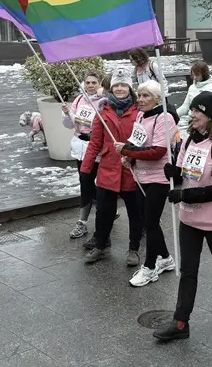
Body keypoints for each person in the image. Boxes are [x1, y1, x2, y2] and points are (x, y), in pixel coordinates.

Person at [153, 91, 212, 341]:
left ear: (211, 116)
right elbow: (185, 175)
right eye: (192, 110)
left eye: (198, 111)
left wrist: (186, 196)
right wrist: (173, 173)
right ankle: (181, 322)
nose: (192, 114)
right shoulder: (188, 141)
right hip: (189, 219)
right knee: (188, 270)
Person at [80, 68, 144, 265]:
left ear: (129, 88)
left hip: (130, 168)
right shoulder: (102, 112)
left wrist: (133, 156)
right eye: (116, 85)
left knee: (135, 212)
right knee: (104, 211)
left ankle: (133, 249)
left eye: (124, 85)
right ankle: (100, 245)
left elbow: (144, 140)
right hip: (108, 168)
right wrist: (86, 166)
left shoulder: (139, 112)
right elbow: (95, 143)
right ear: (111, 88)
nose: (120, 89)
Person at [117, 80, 177, 286]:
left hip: (158, 178)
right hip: (140, 175)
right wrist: (130, 156)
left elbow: (158, 151)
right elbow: (137, 141)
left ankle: (150, 267)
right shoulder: (141, 116)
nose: (140, 100)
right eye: (139, 95)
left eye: (145, 96)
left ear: (157, 99)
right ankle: (167, 259)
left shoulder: (165, 118)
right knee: (148, 220)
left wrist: (126, 150)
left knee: (151, 222)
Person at [62, 71, 107, 239]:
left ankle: (86, 222)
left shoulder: (103, 102)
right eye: (87, 82)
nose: (90, 85)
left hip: (95, 149)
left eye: (94, 82)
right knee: (85, 182)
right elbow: (70, 125)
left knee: (89, 183)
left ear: (100, 83)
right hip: (79, 147)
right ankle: (96, 215)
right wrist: (67, 114)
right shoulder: (79, 100)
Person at [127, 48, 179, 123]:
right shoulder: (136, 70)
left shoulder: (152, 66)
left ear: (137, 58)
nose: (130, 62)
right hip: (146, 98)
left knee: (161, 118)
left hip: (157, 97)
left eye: (131, 60)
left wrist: (162, 97)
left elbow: (163, 81)